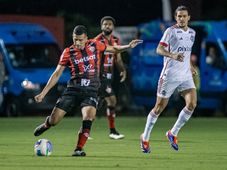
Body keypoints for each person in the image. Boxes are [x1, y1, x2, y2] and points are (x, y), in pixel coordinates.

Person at [33, 25, 142, 156]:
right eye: (75, 39)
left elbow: (113, 49)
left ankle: (78, 148)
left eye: (80, 39)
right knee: (55, 120)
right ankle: (47, 124)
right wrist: (43, 93)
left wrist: (128, 46)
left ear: (86, 38)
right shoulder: (68, 52)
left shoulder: (95, 45)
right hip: (73, 90)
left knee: (89, 117)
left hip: (91, 90)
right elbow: (56, 74)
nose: (77, 42)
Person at [140, 5, 197, 153]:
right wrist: (172, 55)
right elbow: (159, 49)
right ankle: (145, 137)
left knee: (191, 104)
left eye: (184, 16)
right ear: (175, 17)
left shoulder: (192, 32)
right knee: (159, 108)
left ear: (189, 17)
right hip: (169, 75)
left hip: (185, 76)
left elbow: (186, 52)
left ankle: (173, 133)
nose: (182, 18)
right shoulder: (170, 31)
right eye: (179, 16)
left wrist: (190, 66)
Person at [95, 16, 126, 139]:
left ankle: (85, 130)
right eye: (105, 24)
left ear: (113, 27)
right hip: (99, 77)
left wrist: (123, 70)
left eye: (109, 24)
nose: (107, 26)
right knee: (112, 100)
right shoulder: (96, 41)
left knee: (96, 105)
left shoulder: (116, 41)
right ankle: (112, 131)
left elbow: (118, 58)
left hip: (110, 76)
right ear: (101, 26)